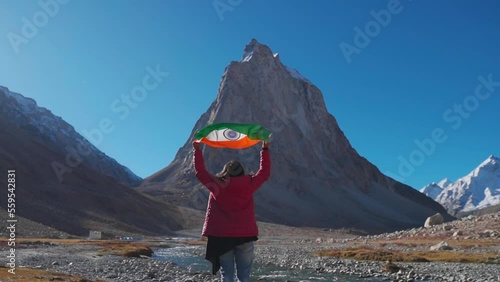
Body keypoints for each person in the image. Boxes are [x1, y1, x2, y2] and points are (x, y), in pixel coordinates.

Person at [192, 140, 271, 282]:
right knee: (244, 276)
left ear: (225, 172)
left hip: (222, 237)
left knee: (226, 275)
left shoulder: (217, 185)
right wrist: (264, 149)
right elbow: (264, 173)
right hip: (245, 236)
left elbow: (200, 172)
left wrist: (197, 150)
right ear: (242, 172)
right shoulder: (249, 184)